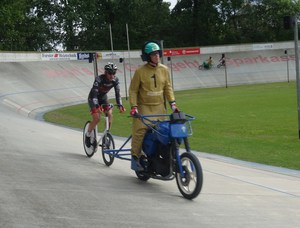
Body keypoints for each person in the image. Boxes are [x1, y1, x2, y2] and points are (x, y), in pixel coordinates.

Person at [129, 41, 179, 170]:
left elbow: (168, 87)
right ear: (147, 56)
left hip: (160, 107)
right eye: (153, 54)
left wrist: (173, 104)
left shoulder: (164, 69)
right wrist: (134, 107)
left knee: (164, 132)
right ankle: (135, 157)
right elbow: (133, 90)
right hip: (143, 107)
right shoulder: (140, 71)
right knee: (139, 132)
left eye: (158, 53)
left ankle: (166, 155)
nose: (157, 56)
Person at [85, 62, 125, 147]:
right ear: (106, 73)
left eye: (114, 73)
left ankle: (106, 135)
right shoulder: (99, 79)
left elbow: (117, 94)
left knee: (110, 114)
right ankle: (88, 135)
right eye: (110, 73)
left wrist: (120, 105)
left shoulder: (115, 80)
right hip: (93, 98)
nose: (112, 75)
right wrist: (96, 106)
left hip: (103, 98)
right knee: (97, 118)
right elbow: (95, 94)